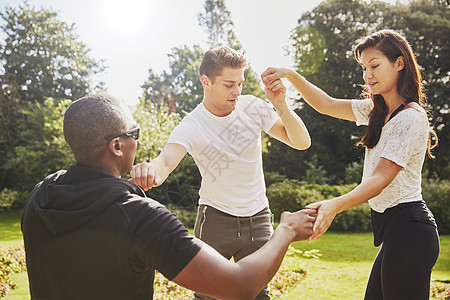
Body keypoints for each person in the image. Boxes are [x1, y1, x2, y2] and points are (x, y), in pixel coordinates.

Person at [21, 94, 316, 300]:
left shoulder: (40, 197)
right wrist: (286, 230)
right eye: (133, 132)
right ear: (117, 147)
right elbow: (240, 287)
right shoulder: (141, 218)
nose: (137, 139)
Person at [262, 29, 440, 299]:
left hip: (411, 231)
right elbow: (326, 104)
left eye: (375, 65)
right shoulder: (378, 111)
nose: (367, 75)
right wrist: (290, 75)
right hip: (396, 232)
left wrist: (335, 205)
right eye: (364, 68)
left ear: (399, 63)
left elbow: (380, 179)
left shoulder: (411, 118)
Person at [131, 46, 311, 299]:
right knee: (207, 295)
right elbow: (164, 164)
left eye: (240, 83)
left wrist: (281, 105)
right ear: (206, 81)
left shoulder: (254, 108)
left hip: (258, 218)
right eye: (229, 84)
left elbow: (302, 142)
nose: (237, 91)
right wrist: (149, 170)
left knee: (258, 295)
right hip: (214, 220)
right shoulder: (192, 125)